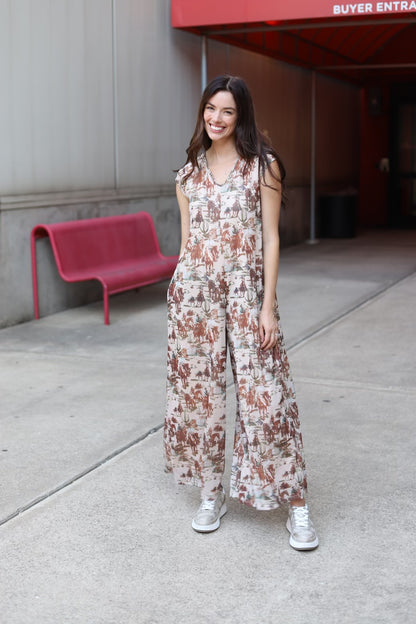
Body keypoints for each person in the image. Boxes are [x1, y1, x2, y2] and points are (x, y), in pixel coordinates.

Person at [164, 75, 318, 551]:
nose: (217, 118)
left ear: (241, 115)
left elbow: (270, 238)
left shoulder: (262, 167)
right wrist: (179, 292)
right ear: (202, 112)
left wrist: (267, 307)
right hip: (195, 298)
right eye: (211, 108)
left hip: (248, 295)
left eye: (227, 111)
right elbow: (187, 244)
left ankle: (296, 503)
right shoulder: (187, 174)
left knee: (267, 397)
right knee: (200, 400)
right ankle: (211, 493)